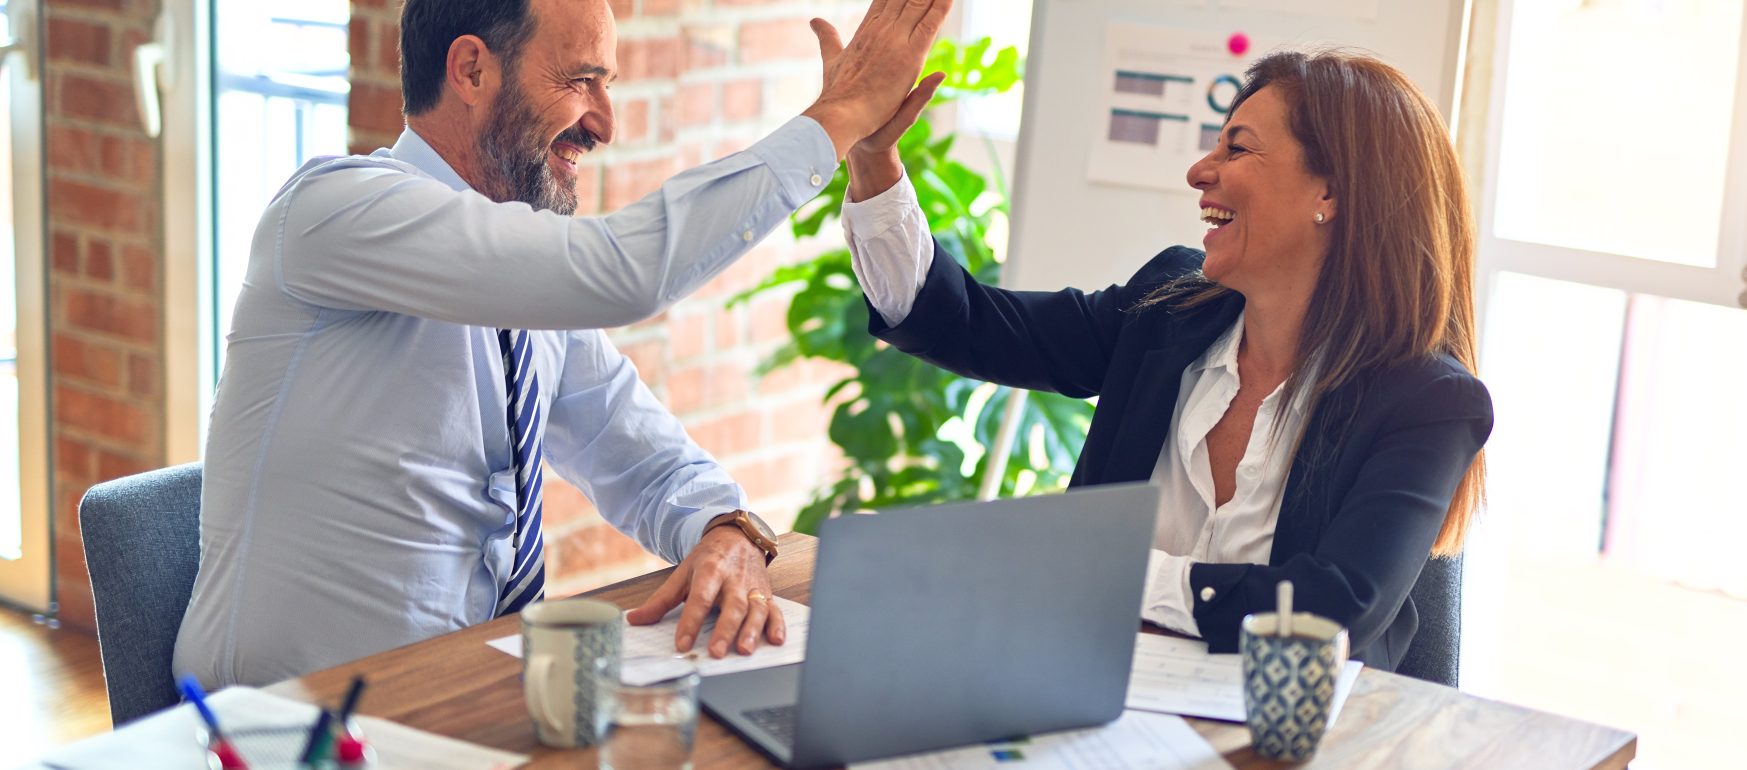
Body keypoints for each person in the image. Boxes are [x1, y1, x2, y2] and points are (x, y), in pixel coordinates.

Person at [175, 0, 951, 688]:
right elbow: (626, 272)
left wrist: (726, 529)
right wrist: (839, 116)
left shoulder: (526, 288)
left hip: (462, 701)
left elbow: (642, 457)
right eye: (582, 81)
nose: (605, 123)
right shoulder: (333, 211)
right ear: (472, 69)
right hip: (286, 728)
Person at [839, 50, 1492, 670]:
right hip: (1092, 698)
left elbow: (1330, 612)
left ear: (1331, 193)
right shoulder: (1168, 312)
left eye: (1236, 148)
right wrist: (873, 160)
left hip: (1291, 742)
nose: (1200, 171)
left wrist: (1107, 572)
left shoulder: (1427, 401)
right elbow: (965, 324)